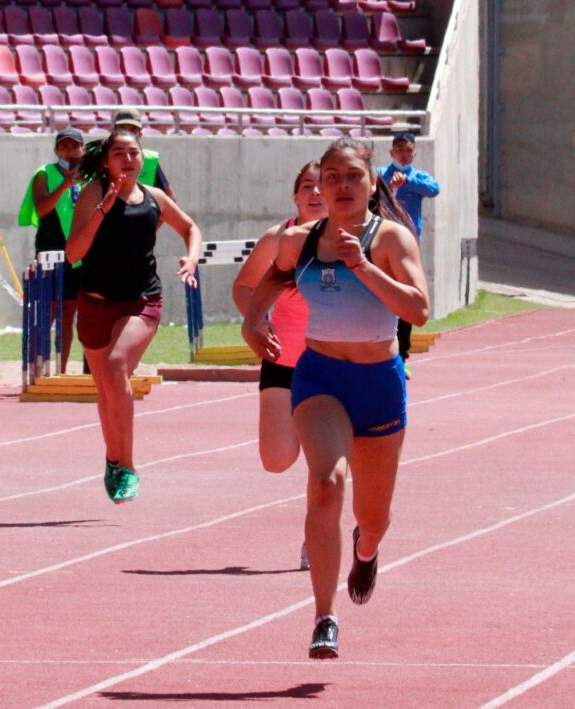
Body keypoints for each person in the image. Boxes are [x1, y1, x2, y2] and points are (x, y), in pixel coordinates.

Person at [242, 138, 429, 659]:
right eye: (332, 177)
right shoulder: (299, 242)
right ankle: (325, 616)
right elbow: (273, 280)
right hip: (320, 378)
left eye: (352, 177)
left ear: (371, 184)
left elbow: (419, 309)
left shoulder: (390, 238)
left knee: (374, 518)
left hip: (378, 384)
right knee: (325, 484)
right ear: (318, 186)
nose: (342, 186)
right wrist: (253, 322)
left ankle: (365, 551)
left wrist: (364, 267)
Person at [66, 130, 201, 504]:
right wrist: (102, 211)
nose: (128, 159)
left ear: (143, 159)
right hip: (94, 302)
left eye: (134, 153)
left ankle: (127, 466)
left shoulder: (154, 199)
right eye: (119, 153)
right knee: (107, 390)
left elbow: (190, 228)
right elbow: (73, 253)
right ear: (106, 161)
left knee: (113, 369)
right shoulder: (93, 194)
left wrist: (191, 257)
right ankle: (113, 458)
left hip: (141, 302)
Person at [232, 161, 327, 570]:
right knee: (277, 459)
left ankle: (316, 538)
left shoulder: (352, 241)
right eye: (307, 186)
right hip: (282, 359)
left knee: (323, 464)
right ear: (295, 195)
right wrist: (256, 320)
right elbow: (243, 286)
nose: (316, 193)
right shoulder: (278, 239)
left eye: (323, 185)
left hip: (331, 361)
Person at [18, 127, 85, 373]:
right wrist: (65, 186)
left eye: (74, 146)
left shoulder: (88, 177)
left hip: (77, 254)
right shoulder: (44, 174)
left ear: (82, 149)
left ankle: (62, 369)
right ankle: (37, 367)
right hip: (50, 251)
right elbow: (43, 208)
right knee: (48, 313)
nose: (69, 151)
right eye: (64, 146)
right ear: (57, 150)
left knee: (69, 315)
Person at [379, 131, 440, 375]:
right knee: (383, 297)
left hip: (407, 248)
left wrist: (408, 182)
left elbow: (434, 189)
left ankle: (401, 357)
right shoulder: (381, 174)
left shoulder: (417, 177)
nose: (403, 155)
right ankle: (381, 350)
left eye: (408, 151)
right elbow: (371, 195)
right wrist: (389, 186)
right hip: (381, 243)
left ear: (414, 153)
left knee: (406, 298)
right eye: (399, 150)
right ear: (391, 152)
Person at [112, 108, 179, 203]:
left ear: (140, 134)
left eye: (132, 130)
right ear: (114, 131)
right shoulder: (104, 157)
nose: (127, 134)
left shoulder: (149, 160)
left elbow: (170, 198)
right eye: (123, 129)